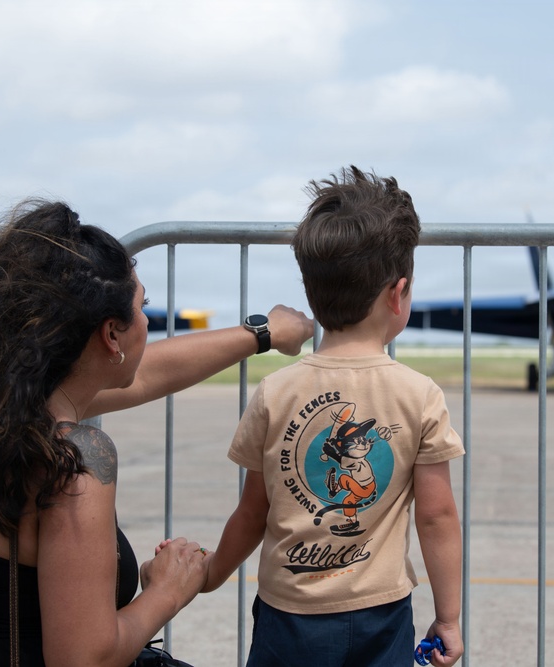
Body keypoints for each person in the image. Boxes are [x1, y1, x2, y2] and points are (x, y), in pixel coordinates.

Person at [0, 200, 312, 666]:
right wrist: (168, 591)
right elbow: (85, 660)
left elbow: (147, 374)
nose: (147, 322)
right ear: (111, 336)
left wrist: (261, 333)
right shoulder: (70, 457)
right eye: (142, 308)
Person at [197, 167, 465, 666]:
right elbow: (436, 515)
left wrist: (213, 573)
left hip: (286, 616)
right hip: (381, 614)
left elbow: (254, 511)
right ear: (398, 294)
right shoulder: (419, 395)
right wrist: (447, 617)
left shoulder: (275, 391)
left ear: (312, 294)